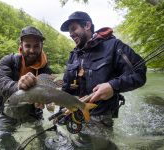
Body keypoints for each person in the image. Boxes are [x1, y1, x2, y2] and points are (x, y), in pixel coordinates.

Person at [60, 11, 147, 149]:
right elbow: (66, 87)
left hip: (100, 119)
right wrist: (61, 108)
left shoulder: (114, 46)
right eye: (69, 31)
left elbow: (139, 73)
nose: (70, 34)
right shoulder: (73, 55)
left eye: (73, 28)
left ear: (87, 25)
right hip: (75, 117)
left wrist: (113, 86)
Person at [0, 26, 52, 150]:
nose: (32, 50)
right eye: (28, 45)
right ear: (21, 45)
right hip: (8, 111)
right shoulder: (8, 61)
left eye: (36, 46)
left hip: (33, 112)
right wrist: (17, 85)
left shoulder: (46, 69)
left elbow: (49, 93)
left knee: (45, 137)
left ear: (41, 46)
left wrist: (45, 102)